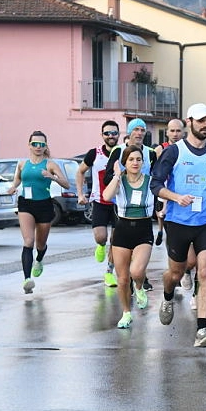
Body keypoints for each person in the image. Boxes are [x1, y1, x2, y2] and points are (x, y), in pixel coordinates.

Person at [150, 103, 206, 348]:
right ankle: (167, 296)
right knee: (176, 272)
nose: (205, 125)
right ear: (189, 122)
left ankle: (202, 329)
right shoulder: (175, 152)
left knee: (205, 269)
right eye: (200, 121)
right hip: (178, 221)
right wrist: (175, 198)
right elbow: (155, 184)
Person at [6, 131, 70, 293]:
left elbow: (66, 184)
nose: (38, 147)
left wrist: (52, 177)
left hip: (44, 205)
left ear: (45, 146)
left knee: (40, 244)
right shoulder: (22, 164)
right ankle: (27, 280)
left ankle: (39, 259)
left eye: (42, 144)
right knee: (28, 241)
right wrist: (13, 187)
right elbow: (18, 179)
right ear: (29, 145)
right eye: (35, 144)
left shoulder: (50, 164)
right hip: (25, 204)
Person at [101, 144, 157, 329]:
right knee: (123, 278)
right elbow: (107, 196)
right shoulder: (120, 180)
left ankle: (139, 287)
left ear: (143, 162)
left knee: (137, 272)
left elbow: (162, 198)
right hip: (122, 229)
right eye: (131, 159)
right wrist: (117, 175)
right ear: (124, 162)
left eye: (138, 159)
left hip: (143, 229)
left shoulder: (150, 181)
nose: (135, 162)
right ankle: (126, 313)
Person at [104, 119, 158, 292]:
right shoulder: (118, 151)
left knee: (140, 253)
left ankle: (140, 278)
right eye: (136, 129)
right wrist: (119, 180)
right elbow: (107, 177)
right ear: (129, 132)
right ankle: (112, 270)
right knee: (118, 239)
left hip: (144, 202)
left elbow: (157, 177)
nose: (140, 133)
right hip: (122, 200)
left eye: (143, 130)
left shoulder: (150, 153)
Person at [75, 121, 121, 287]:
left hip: (118, 203)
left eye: (114, 133)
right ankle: (101, 245)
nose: (111, 136)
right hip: (100, 201)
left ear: (119, 134)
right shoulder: (94, 153)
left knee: (116, 241)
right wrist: (81, 194)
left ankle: (109, 273)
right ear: (102, 135)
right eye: (107, 133)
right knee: (101, 237)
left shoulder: (123, 152)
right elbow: (80, 172)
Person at [154, 118, 184, 246]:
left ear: (183, 132)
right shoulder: (159, 150)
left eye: (178, 131)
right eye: (172, 131)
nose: (175, 134)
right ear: (167, 132)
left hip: (183, 194)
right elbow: (154, 173)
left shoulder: (187, 148)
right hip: (165, 192)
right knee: (169, 229)